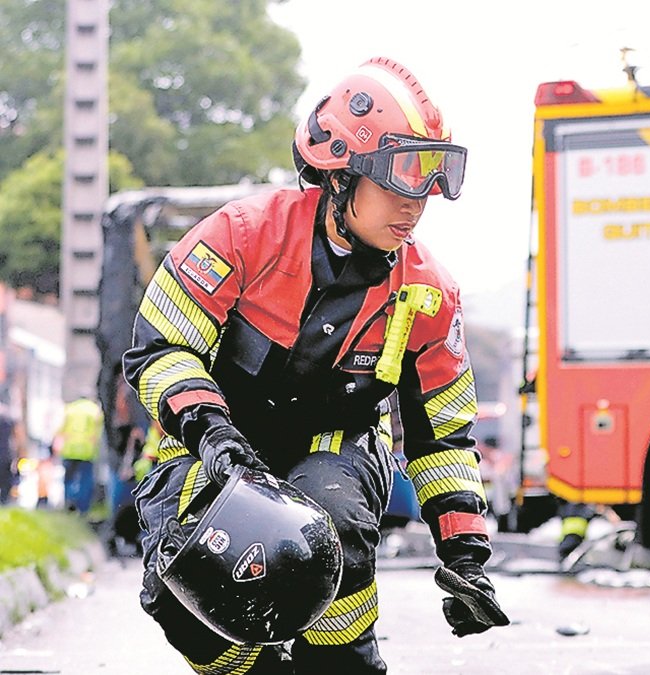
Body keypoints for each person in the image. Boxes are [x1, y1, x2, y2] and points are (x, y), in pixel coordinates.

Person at [124, 56, 508, 674]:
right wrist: (214, 436)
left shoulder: (430, 292)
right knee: (186, 588)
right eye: (395, 186)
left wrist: (464, 552)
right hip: (212, 438)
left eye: (425, 188)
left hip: (337, 441)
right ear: (340, 173)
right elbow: (161, 349)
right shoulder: (244, 235)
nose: (414, 207)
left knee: (326, 525)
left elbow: (444, 435)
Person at [54, 397, 104, 513]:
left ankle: (69, 500)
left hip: (70, 450)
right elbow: (99, 431)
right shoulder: (95, 410)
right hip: (87, 451)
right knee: (86, 479)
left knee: (69, 478)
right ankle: (83, 507)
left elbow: (59, 429)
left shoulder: (69, 409)